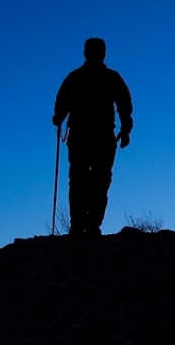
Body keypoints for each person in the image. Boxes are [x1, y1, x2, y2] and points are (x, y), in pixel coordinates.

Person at [52, 38, 133, 237]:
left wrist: (59, 117)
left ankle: (81, 226)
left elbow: (61, 103)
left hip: (85, 137)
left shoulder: (75, 78)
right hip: (100, 137)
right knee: (98, 181)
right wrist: (125, 129)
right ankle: (89, 226)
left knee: (81, 180)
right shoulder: (110, 77)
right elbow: (124, 104)